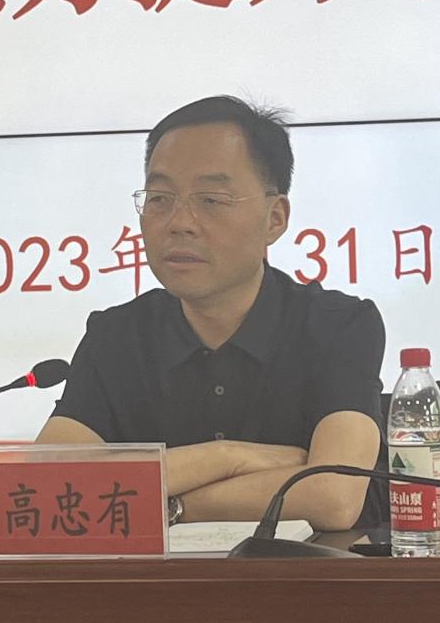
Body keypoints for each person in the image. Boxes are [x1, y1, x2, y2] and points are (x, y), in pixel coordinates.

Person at [37, 96, 386, 530]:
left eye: (211, 200)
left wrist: (169, 507)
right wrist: (228, 458)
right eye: (160, 198)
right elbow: (43, 487)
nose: (179, 222)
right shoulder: (116, 336)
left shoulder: (338, 326)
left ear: (275, 218)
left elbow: (334, 497)